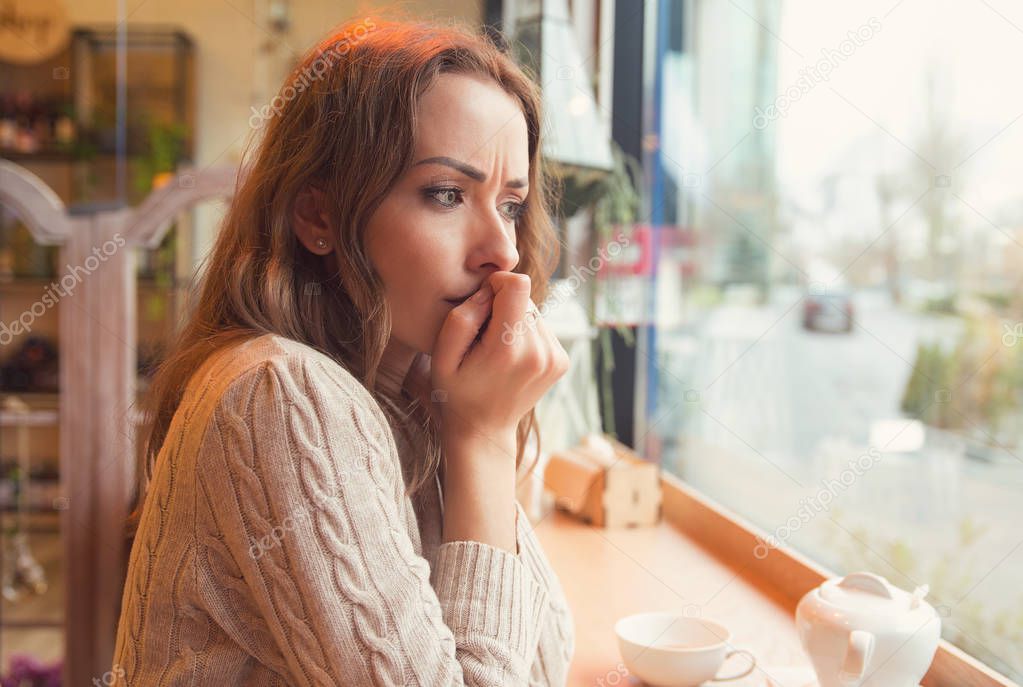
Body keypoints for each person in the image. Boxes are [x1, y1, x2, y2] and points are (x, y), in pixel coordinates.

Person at [111, 14, 575, 687]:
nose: (501, 250)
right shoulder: (278, 391)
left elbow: (539, 661)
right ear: (319, 216)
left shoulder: (412, 387)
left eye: (509, 204)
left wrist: (464, 427)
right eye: (446, 194)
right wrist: (483, 439)